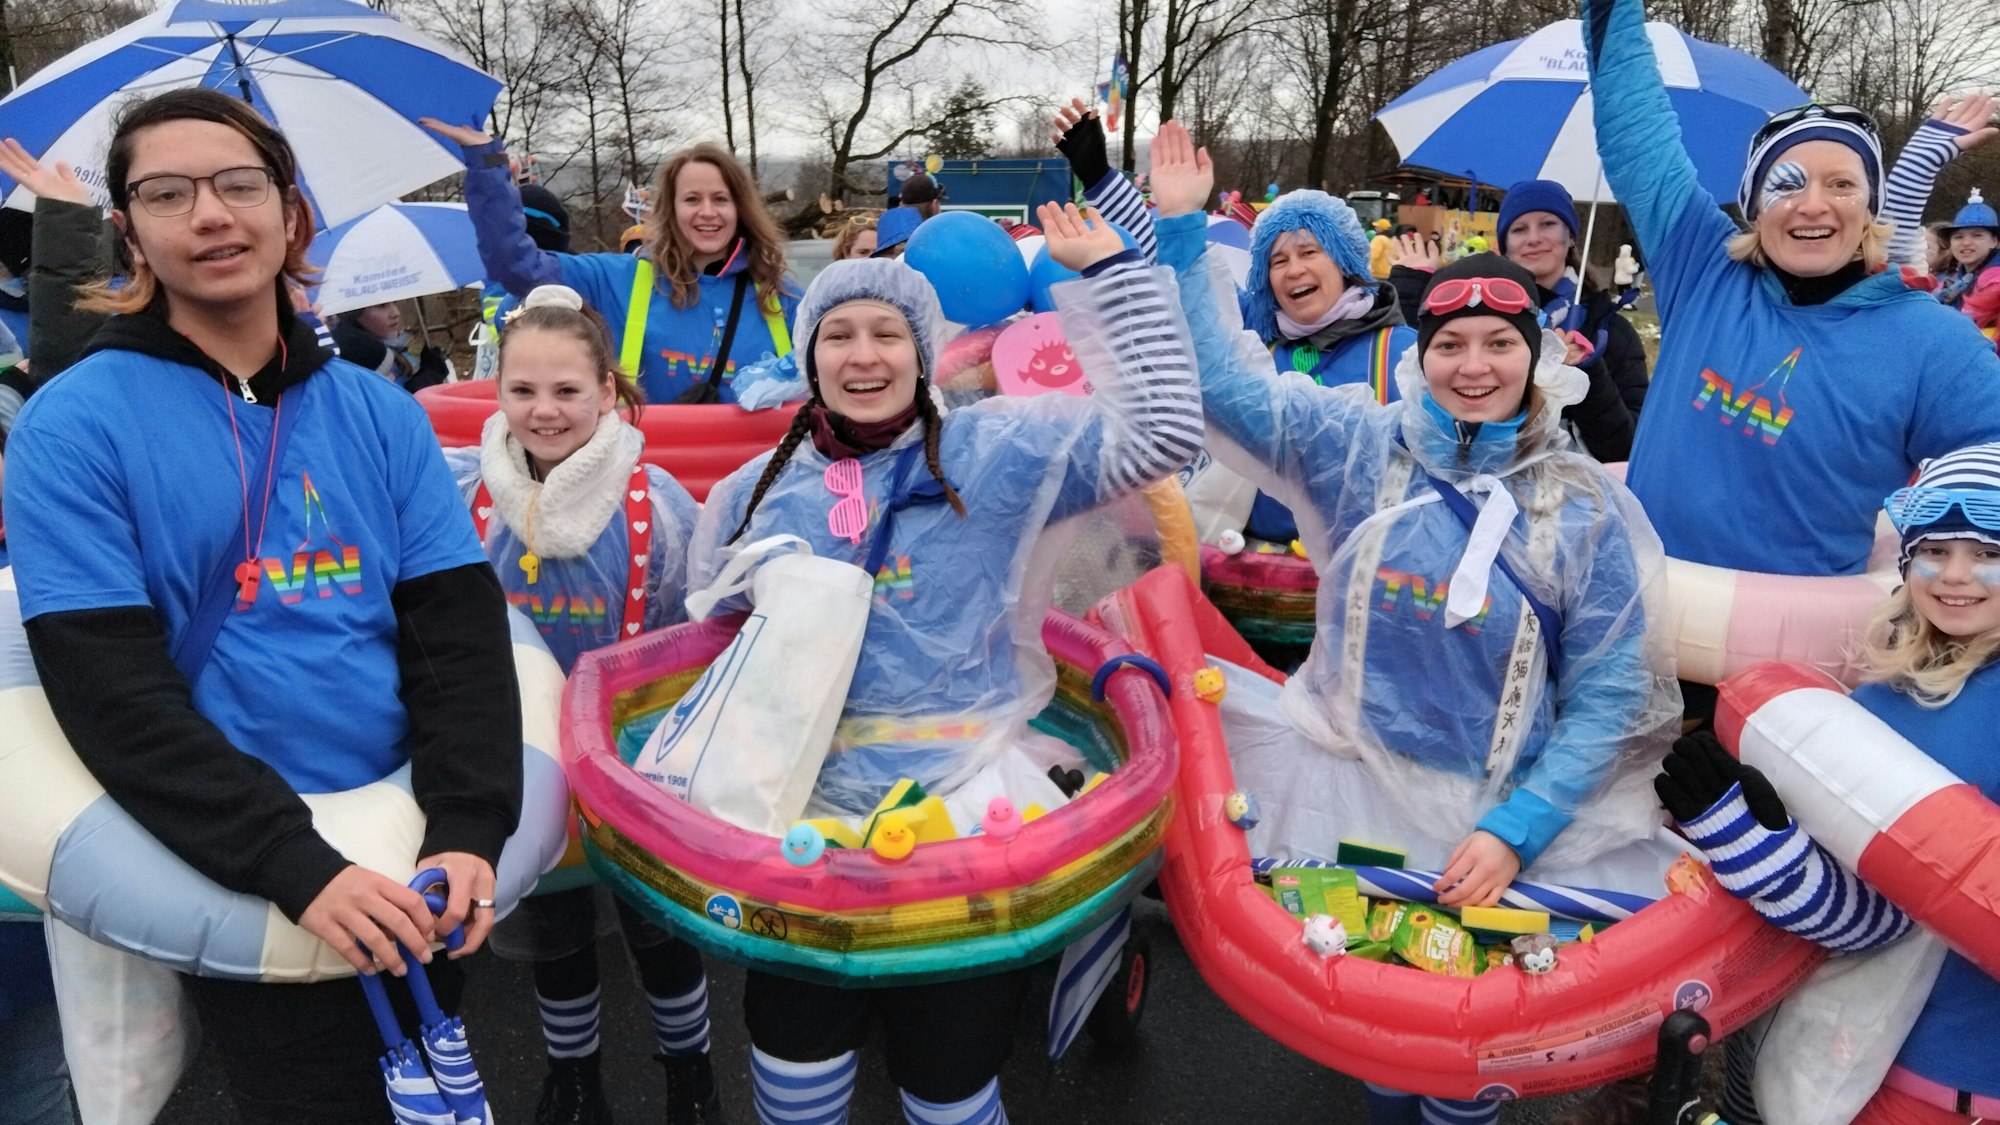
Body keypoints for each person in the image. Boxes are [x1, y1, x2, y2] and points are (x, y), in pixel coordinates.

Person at [1, 88, 522, 1124]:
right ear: (129, 231)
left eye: (240, 184)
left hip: (412, 838)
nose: (210, 214)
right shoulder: (72, 425)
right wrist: (297, 865)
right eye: (167, 191)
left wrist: (468, 828)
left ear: (292, 216)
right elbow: (112, 690)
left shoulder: (378, 408)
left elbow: (455, 635)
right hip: (244, 865)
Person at [1149, 118, 1679, 1125]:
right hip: (1349, 795)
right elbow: (1219, 390)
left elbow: (1612, 692)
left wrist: (1519, 828)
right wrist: (1181, 235)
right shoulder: (1354, 446)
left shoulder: (1581, 504)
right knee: (1383, 1056)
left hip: (1495, 822)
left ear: (1535, 359)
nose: (1471, 366)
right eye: (1448, 344)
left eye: (1496, 344)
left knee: (1468, 1060)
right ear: (1418, 351)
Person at [687, 199, 1200, 1125]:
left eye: (887, 331)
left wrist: (1114, 281)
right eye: (838, 334)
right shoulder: (749, 495)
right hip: (797, 825)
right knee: (795, 1084)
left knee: (949, 1088)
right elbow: (713, 651)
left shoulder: (996, 450)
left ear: (925, 350)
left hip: (964, 817)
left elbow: (1167, 438)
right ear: (809, 356)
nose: (863, 353)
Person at [1583, 0, 2000, 588]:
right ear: (1754, 206)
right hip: (1634, 623)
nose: (1812, 204)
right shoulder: (1703, 267)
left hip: (1797, 658)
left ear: (1870, 208)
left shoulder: (1934, 344)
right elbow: (1637, 136)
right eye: (1787, 182)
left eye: (1842, 184)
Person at [1658, 443, 2000, 1125]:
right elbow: (1862, 917)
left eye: (1988, 552)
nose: (1957, 576)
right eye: (1936, 549)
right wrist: (1748, 833)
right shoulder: (1884, 695)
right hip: (1859, 1064)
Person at [442, 284, 718, 1124]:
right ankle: (575, 1078)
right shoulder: (464, 498)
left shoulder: (659, 503)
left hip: (637, 763)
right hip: (522, 761)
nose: (544, 410)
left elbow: (694, 640)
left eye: (566, 390)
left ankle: (691, 1072)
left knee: (660, 928)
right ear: (498, 393)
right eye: (523, 390)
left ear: (607, 391)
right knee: (552, 938)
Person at [424, 118, 799, 404]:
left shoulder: (783, 298)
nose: (707, 212)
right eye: (691, 200)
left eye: (720, 199)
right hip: (647, 488)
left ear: (740, 208)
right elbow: (516, 267)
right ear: (669, 209)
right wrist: (487, 164)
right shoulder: (618, 280)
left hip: (756, 490)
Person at [1233, 187, 1418, 544]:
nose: (1294, 269)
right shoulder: (1253, 349)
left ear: (1343, 260)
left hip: (1368, 572)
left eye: (1309, 252)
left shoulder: (1401, 352)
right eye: (1278, 261)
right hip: (1257, 571)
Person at [1495, 179, 1645, 459]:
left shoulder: (1610, 331)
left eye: (1548, 224)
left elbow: (1627, 448)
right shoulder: (1484, 323)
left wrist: (1587, 371)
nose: (1533, 238)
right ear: (1505, 246)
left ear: (1572, 237)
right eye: (1519, 229)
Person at [331, 300, 451, 391]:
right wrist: (431, 377)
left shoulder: (395, 346)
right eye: (381, 305)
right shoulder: (363, 357)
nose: (396, 313)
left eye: (394, 303)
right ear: (355, 314)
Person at [1936, 189, 2000, 331]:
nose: (1966, 243)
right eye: (1958, 237)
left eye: (1977, 235)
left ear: (1994, 242)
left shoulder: (1995, 280)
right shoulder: (1952, 280)